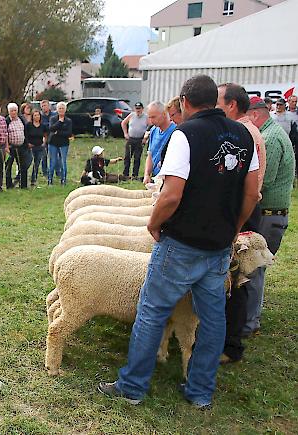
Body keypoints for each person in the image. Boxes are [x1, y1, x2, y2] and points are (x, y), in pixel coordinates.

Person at [99, 75, 259, 409]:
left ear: (185, 101)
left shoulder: (186, 134)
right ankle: (200, 391)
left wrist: (154, 223)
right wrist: (235, 227)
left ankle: (132, 387)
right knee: (213, 319)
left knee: (153, 311)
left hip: (182, 243)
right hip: (217, 247)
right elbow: (251, 193)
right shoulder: (244, 135)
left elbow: (171, 193)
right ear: (214, 102)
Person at [215, 83, 267, 364]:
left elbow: (247, 186)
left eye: (219, 101)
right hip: (245, 209)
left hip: (242, 212)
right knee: (234, 279)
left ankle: (230, 346)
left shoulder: (242, 133)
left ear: (231, 105)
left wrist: (233, 222)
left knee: (236, 279)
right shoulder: (246, 131)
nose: (215, 106)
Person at [244, 96, 295, 337]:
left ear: (254, 115)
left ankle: (249, 322)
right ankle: (249, 318)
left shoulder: (270, 139)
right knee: (255, 268)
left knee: (254, 268)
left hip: (269, 214)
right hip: (272, 213)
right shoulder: (272, 134)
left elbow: (264, 181)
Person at [143, 101, 176, 184]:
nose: (151, 121)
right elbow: (150, 155)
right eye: (149, 117)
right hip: (155, 179)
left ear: (164, 114)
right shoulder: (153, 130)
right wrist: (147, 174)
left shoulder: (175, 130)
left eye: (153, 117)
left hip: (169, 179)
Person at [120, 102, 148, 179]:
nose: (138, 110)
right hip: (131, 139)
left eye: (139, 108)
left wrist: (145, 138)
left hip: (140, 140)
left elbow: (150, 127)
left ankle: (134, 175)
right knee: (127, 157)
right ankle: (125, 174)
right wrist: (125, 133)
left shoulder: (146, 117)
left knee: (137, 158)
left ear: (142, 109)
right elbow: (123, 123)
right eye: (136, 108)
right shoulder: (131, 115)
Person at [47, 102, 73, 185]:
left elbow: (69, 133)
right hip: (53, 143)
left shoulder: (68, 121)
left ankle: (63, 180)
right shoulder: (53, 119)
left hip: (64, 144)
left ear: (65, 110)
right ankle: (50, 180)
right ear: (57, 110)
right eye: (60, 108)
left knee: (63, 162)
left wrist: (58, 132)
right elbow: (51, 129)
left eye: (63, 108)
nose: (61, 110)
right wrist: (60, 122)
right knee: (53, 162)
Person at [5, 103, 27, 189]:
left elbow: (25, 130)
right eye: (12, 111)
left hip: (21, 146)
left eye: (15, 111)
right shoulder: (7, 121)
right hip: (11, 147)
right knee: (8, 166)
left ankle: (23, 185)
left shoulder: (21, 119)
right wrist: (7, 146)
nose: (13, 112)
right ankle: (9, 185)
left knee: (23, 166)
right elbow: (5, 134)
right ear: (9, 112)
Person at [27, 110, 48, 186]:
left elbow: (45, 134)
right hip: (31, 147)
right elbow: (25, 135)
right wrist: (28, 143)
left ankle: (33, 179)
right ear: (32, 116)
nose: (37, 117)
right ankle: (24, 178)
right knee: (29, 162)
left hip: (39, 147)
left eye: (38, 115)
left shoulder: (43, 126)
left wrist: (44, 142)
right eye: (35, 115)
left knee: (37, 164)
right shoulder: (29, 125)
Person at [40, 99, 54, 175]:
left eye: (45, 105)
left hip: (53, 137)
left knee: (54, 156)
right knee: (44, 156)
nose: (44, 107)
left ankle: (55, 171)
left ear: (49, 106)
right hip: (44, 138)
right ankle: (45, 172)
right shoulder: (40, 116)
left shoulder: (54, 115)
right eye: (42, 106)